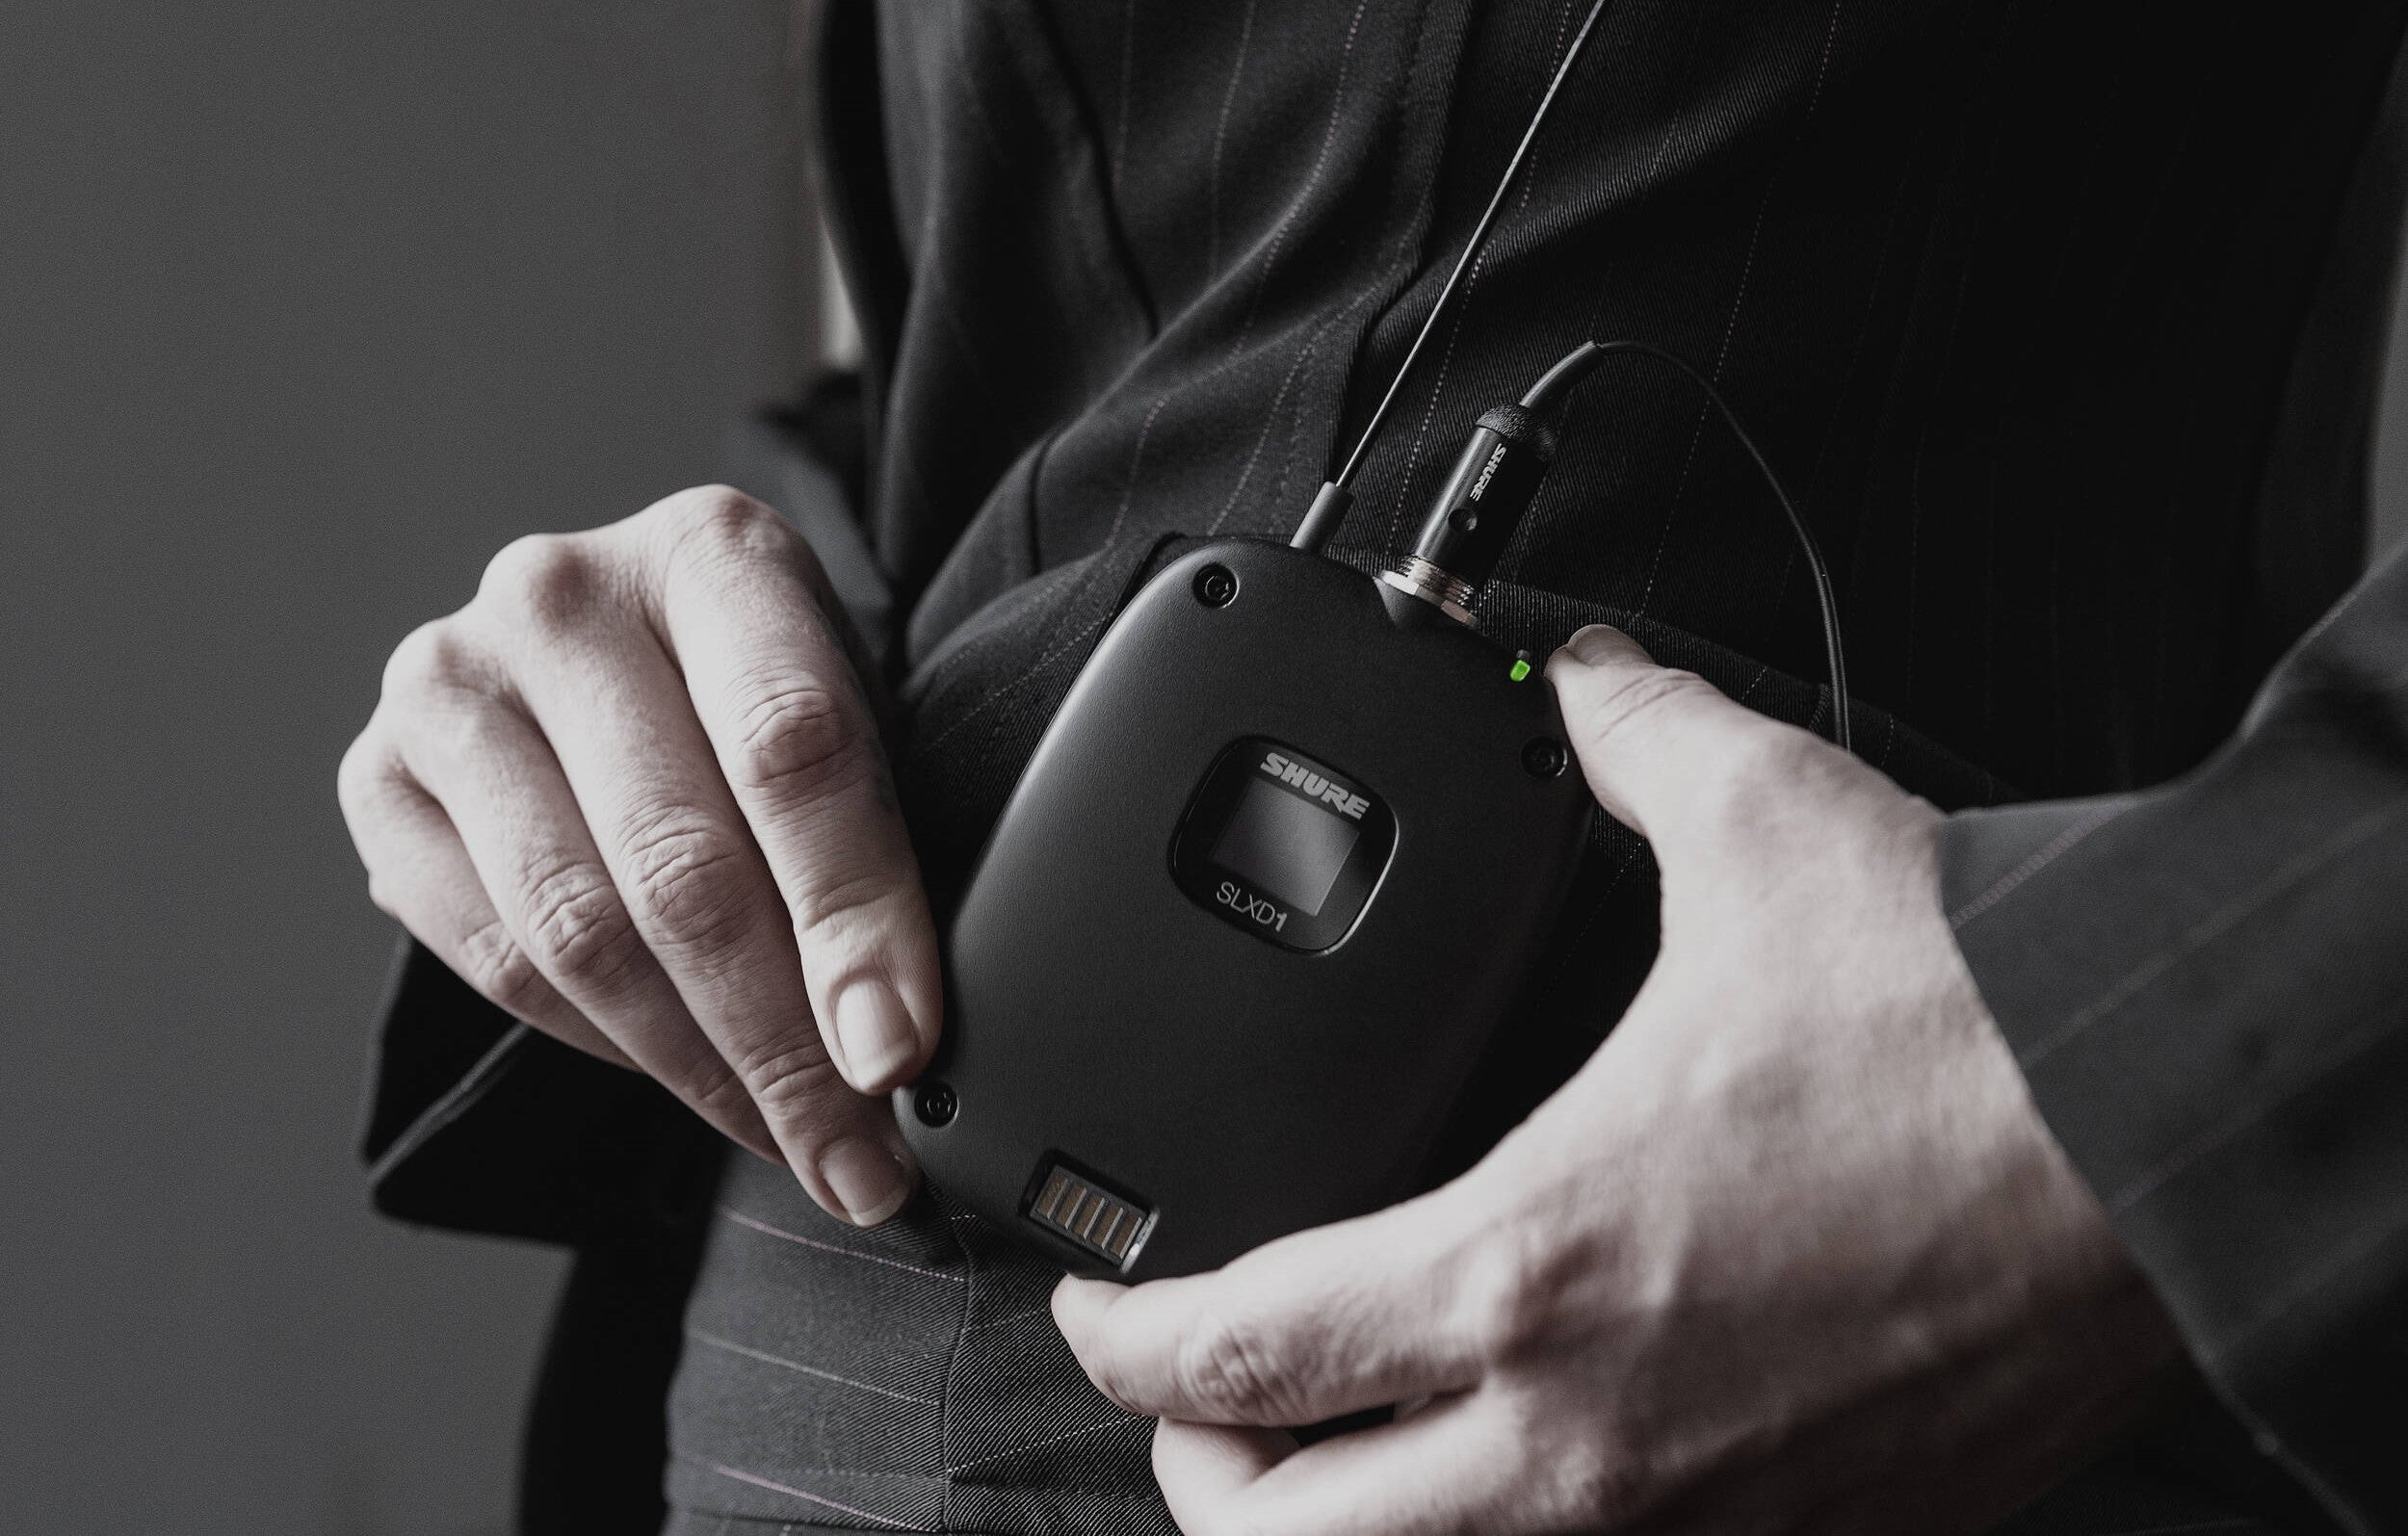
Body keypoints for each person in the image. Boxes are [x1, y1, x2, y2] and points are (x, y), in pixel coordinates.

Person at [339, 3, 2408, 1532]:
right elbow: (1083, 345)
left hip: (1768, 1348)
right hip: (816, 1351)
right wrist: (675, 647)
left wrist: (2124, 1089)